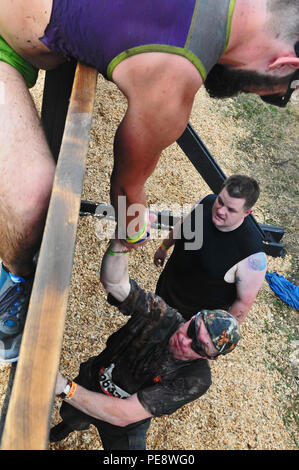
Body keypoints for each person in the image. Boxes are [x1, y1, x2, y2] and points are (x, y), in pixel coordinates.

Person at [0, 0, 298, 361]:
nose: (247, 93)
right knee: (35, 202)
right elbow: (126, 190)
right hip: (7, 43)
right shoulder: (176, 75)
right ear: (284, 64)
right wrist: (133, 230)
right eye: (268, 92)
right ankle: (14, 282)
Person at [49, 239, 240, 450]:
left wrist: (64, 387)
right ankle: (65, 428)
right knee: (72, 415)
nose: (185, 340)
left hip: (126, 423)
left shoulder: (195, 378)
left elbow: (123, 414)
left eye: (198, 347)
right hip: (94, 380)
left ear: (209, 358)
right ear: (194, 317)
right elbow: (114, 284)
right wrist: (121, 243)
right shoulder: (161, 315)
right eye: (192, 329)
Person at [154, 175, 267, 324]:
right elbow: (183, 225)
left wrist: (214, 335)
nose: (220, 211)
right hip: (164, 293)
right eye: (220, 201)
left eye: (231, 210)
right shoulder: (206, 203)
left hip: (190, 323)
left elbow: (243, 304)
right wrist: (164, 247)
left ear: (247, 213)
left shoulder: (252, 255)